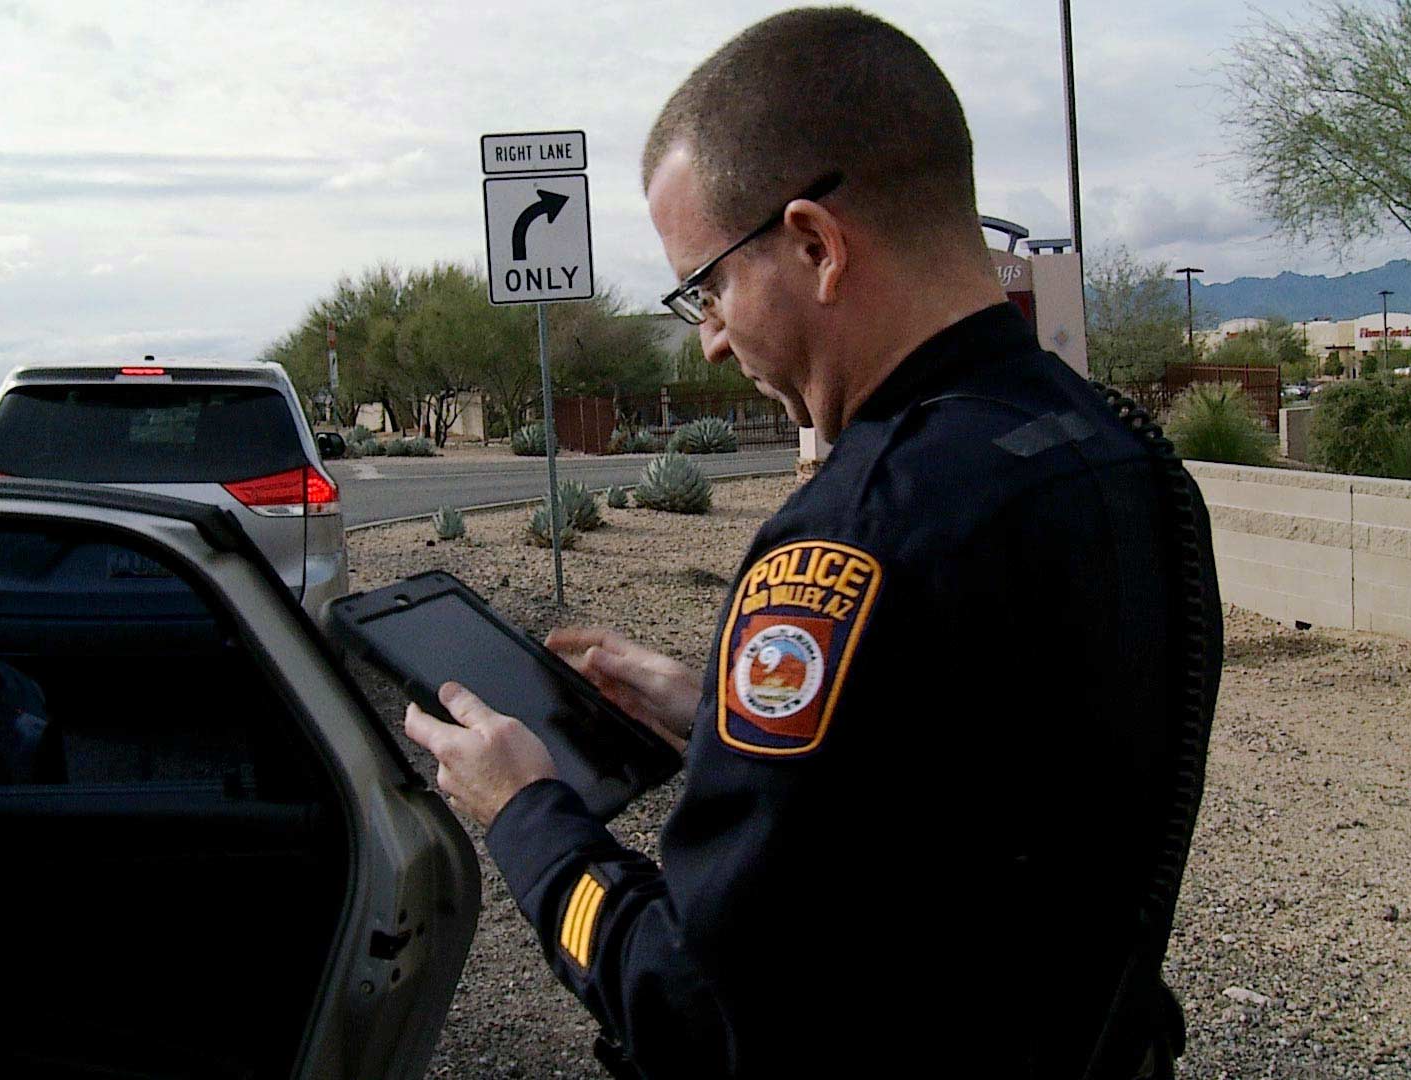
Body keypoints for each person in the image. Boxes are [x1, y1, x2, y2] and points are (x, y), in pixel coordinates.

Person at [402, 8, 1222, 1077]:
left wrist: (525, 814)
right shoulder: (1113, 449)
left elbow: (706, 1019)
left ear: (816, 245)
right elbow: (974, 807)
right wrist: (718, 720)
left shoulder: (859, 533)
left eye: (709, 286)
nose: (708, 335)